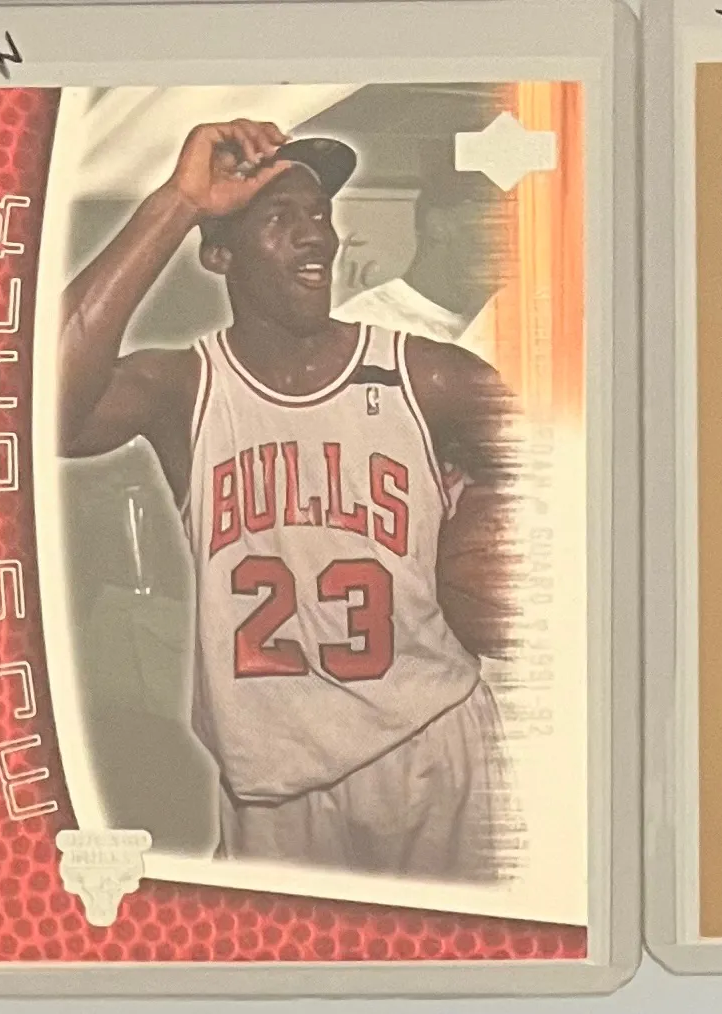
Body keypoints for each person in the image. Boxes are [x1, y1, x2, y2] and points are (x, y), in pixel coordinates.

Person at [57, 119, 515, 880]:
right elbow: (25, 406)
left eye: (320, 216)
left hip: (431, 743)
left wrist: (499, 556)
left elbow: (569, 494)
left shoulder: (432, 378)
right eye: (279, 218)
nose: (315, 236)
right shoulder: (183, 388)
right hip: (270, 778)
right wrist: (178, 202)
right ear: (219, 255)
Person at [332, 168, 508, 366]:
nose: (506, 244)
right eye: (492, 226)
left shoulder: (501, 323)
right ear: (439, 226)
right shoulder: (361, 324)